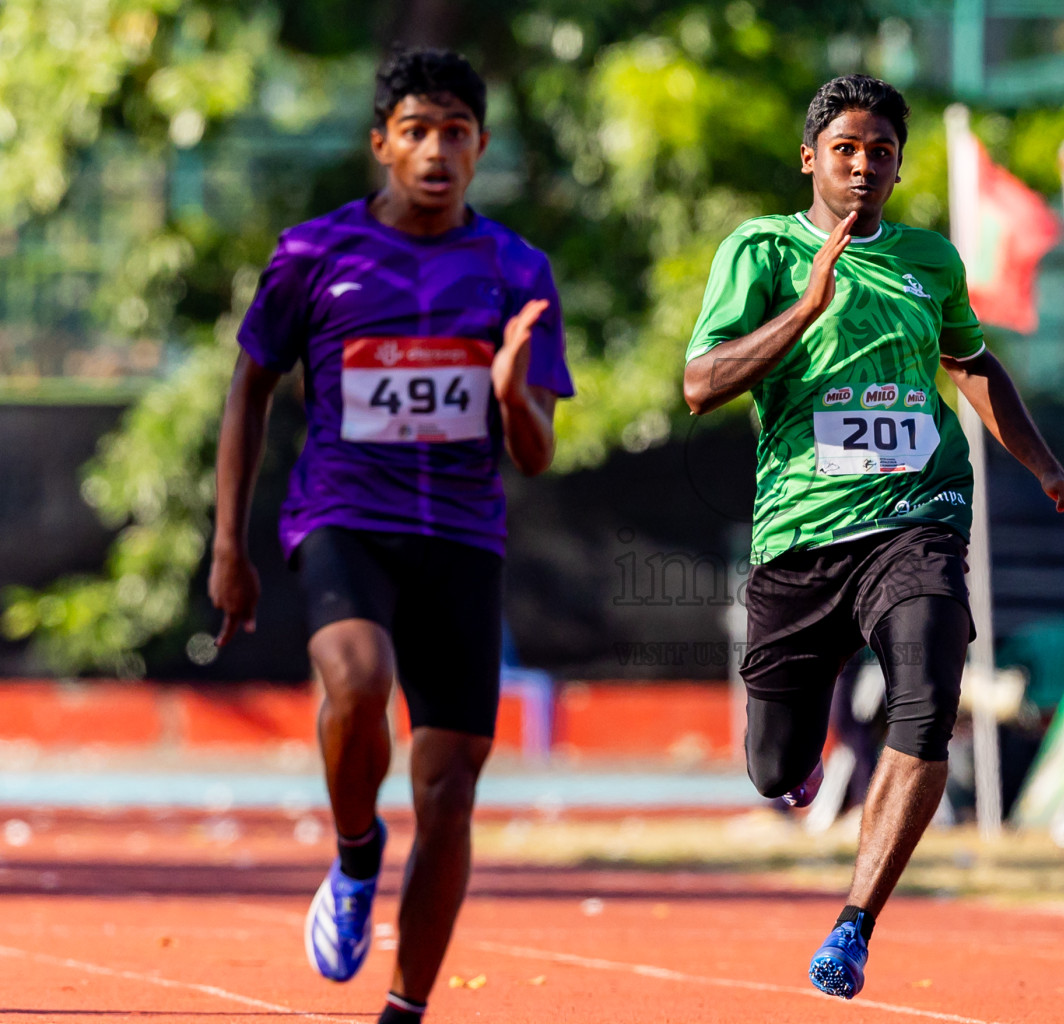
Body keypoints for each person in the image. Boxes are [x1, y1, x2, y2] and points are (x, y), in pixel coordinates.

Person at [683, 74, 1064, 999]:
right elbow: (700, 384)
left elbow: (972, 362)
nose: (863, 165)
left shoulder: (931, 259)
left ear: (898, 164)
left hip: (917, 519)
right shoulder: (760, 249)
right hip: (801, 536)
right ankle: (803, 762)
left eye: (880, 151)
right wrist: (805, 308)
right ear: (810, 158)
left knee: (928, 696)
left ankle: (854, 925)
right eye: (845, 149)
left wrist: (1049, 471)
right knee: (773, 767)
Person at [208, 47, 573, 1024]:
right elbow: (249, 387)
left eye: (456, 132)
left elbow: (536, 453)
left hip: (461, 537)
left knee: (449, 792)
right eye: (416, 131)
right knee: (359, 678)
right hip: (344, 516)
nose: (436, 151)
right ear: (382, 144)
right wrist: (228, 546)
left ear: (481, 146)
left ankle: (405, 1009)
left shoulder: (517, 272)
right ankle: (356, 851)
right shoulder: (312, 254)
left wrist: (512, 395)